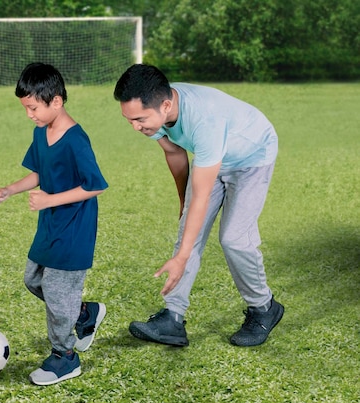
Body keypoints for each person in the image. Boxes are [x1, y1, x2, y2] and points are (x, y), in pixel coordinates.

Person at [113, 64, 284, 347]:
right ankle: (173, 317)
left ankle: (264, 307)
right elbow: (174, 152)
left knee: (234, 239)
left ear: (165, 105)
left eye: (139, 119)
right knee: (188, 233)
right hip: (214, 156)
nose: (135, 126)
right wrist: (183, 201)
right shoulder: (158, 107)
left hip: (252, 155)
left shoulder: (205, 119)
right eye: (129, 119)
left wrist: (181, 257)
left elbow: (202, 197)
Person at [0, 63, 108, 385]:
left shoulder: (76, 140)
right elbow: (40, 173)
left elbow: (95, 184)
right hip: (50, 225)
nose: (29, 114)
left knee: (57, 293)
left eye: (33, 107)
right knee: (33, 279)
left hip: (74, 228)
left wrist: (49, 200)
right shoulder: (41, 133)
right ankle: (84, 313)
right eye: (25, 108)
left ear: (55, 101)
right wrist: (10, 190)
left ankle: (65, 357)